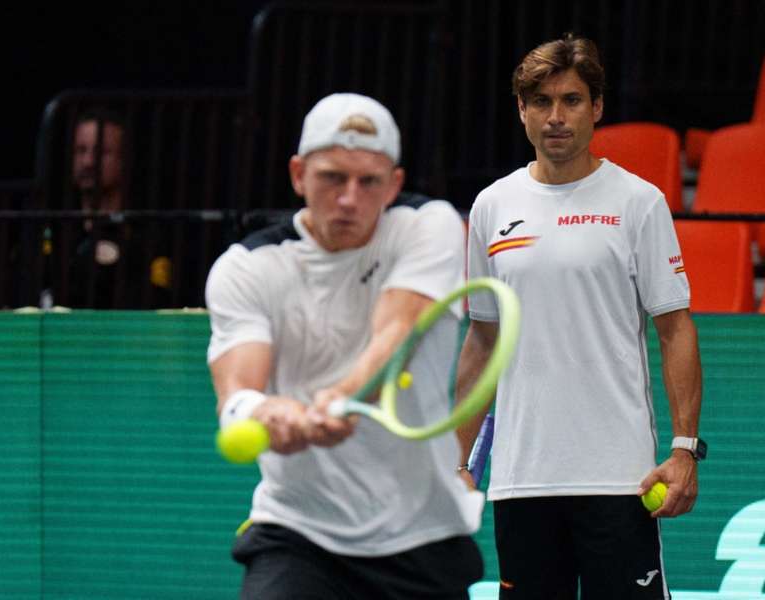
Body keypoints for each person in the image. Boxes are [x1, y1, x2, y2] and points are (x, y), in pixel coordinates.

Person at [205, 93, 485, 599]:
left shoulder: (430, 226)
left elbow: (395, 335)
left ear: (394, 184)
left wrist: (340, 398)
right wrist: (268, 413)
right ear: (298, 174)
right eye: (333, 177)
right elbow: (236, 396)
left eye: (369, 181)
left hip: (422, 537)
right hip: (297, 535)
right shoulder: (246, 267)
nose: (350, 198)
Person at [455, 34, 705, 599]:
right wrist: (456, 460)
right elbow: (482, 339)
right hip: (520, 481)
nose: (556, 116)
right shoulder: (491, 206)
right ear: (522, 111)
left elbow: (675, 328)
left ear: (597, 108)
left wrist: (685, 448)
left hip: (621, 480)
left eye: (571, 100)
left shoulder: (639, 202)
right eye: (541, 102)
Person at [44, 107, 172, 308]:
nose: (88, 162)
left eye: (101, 152)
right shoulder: (54, 230)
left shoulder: (146, 236)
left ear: (124, 160)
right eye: (81, 151)